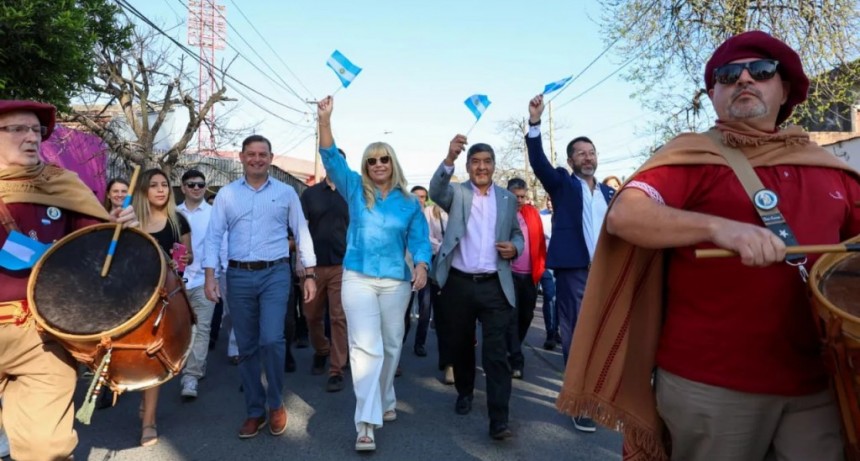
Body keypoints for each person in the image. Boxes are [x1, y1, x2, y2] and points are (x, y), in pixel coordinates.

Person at [555, 30, 860, 461]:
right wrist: (719, 229)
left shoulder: (828, 168)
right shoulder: (692, 156)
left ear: (785, 88)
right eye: (728, 75)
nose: (744, 79)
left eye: (761, 71)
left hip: (816, 383)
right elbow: (626, 215)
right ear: (714, 94)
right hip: (711, 387)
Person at [0, 99, 137, 461]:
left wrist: (119, 231)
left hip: (40, 334)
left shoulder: (62, 185)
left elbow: (97, 250)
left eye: (36, 130)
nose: (32, 137)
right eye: (18, 129)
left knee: (46, 447)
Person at [316, 96, 431, 452]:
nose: (378, 164)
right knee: (366, 347)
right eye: (371, 160)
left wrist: (422, 265)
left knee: (392, 344)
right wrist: (324, 121)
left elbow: (420, 240)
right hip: (358, 278)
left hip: (396, 281)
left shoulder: (410, 203)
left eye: (384, 159)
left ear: (393, 163)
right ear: (365, 166)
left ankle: (385, 396)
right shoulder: (354, 188)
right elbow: (330, 158)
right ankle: (366, 422)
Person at [203, 134, 317, 440]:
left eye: (262, 154)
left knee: (272, 339)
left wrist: (309, 274)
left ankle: (276, 402)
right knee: (247, 346)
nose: (256, 159)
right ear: (242, 157)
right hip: (238, 276)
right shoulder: (227, 194)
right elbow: (214, 236)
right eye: (251, 154)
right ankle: (255, 410)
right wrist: (211, 276)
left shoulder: (286, 192)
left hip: (275, 274)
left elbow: (302, 233)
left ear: (270, 158)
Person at [525, 94, 615, 432]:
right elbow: (538, 163)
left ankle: (599, 392)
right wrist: (535, 122)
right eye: (581, 153)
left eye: (592, 152)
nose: (588, 157)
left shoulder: (609, 194)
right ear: (570, 159)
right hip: (575, 272)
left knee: (604, 334)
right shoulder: (563, 185)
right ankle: (579, 401)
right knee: (576, 335)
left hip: (607, 274)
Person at [429, 134, 524, 441]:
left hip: (495, 285)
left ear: (494, 166)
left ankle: (499, 419)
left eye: (487, 162)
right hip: (459, 283)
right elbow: (435, 191)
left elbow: (516, 233)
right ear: (468, 166)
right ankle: (465, 391)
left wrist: (516, 247)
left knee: (496, 353)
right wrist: (449, 158)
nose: (481, 167)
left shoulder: (507, 199)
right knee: (460, 345)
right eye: (475, 162)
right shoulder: (457, 193)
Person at [133, 167, 191, 447]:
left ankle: (149, 421)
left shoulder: (178, 221)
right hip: (134, 297)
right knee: (136, 355)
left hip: (165, 298)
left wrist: (184, 259)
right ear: (144, 190)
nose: (160, 189)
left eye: (164, 185)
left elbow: (184, 261)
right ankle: (144, 399)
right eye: (154, 185)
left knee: (154, 357)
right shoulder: (132, 221)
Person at [299, 152, 350, 391]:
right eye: (330, 160)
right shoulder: (310, 195)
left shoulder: (352, 194)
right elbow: (301, 229)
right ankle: (321, 350)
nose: (334, 164)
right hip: (314, 266)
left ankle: (336, 368)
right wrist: (301, 263)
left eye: (339, 161)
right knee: (311, 315)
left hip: (343, 265)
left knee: (339, 317)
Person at [177, 169, 216, 400]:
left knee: (202, 329)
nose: (196, 188)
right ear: (183, 187)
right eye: (191, 184)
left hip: (204, 279)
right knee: (180, 329)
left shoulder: (213, 213)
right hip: (176, 283)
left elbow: (221, 244)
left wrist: (217, 277)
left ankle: (191, 375)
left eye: (200, 184)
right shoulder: (172, 213)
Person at [505, 178, 546, 379]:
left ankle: (512, 347)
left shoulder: (532, 213)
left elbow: (540, 243)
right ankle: (516, 359)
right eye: (516, 196)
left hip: (530, 275)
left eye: (523, 196)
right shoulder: (502, 214)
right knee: (512, 317)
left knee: (526, 316)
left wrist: (541, 268)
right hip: (509, 274)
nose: (520, 200)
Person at [424, 202, 453, 384]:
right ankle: (448, 363)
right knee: (444, 317)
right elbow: (426, 237)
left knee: (462, 318)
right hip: (440, 264)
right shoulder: (430, 211)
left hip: (463, 267)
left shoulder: (466, 208)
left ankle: (459, 360)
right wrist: (446, 246)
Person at [408, 185, 434, 358]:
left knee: (425, 308)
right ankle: (397, 348)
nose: (419, 200)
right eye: (416, 196)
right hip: (406, 269)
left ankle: (420, 343)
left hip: (426, 268)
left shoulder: (432, 215)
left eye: (423, 197)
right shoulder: (404, 215)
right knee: (404, 312)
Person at [538, 197, 558, 350]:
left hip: (563, 263)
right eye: (548, 199)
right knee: (550, 296)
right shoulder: (541, 216)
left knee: (560, 299)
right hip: (545, 263)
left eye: (553, 199)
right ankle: (550, 333)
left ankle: (557, 330)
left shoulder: (567, 213)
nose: (550, 202)